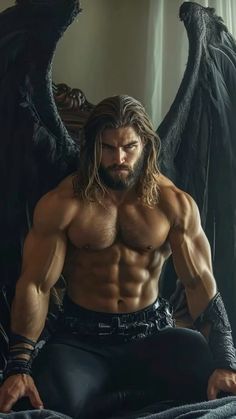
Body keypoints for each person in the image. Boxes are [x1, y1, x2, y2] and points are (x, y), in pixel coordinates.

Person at [0, 95, 236, 418]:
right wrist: (18, 366)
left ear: (146, 146)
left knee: (205, 369)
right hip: (82, 341)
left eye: (129, 147)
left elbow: (198, 282)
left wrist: (226, 360)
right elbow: (35, 286)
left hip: (152, 336)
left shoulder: (173, 204)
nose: (119, 158)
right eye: (108, 148)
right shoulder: (63, 204)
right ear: (93, 147)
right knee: (49, 391)